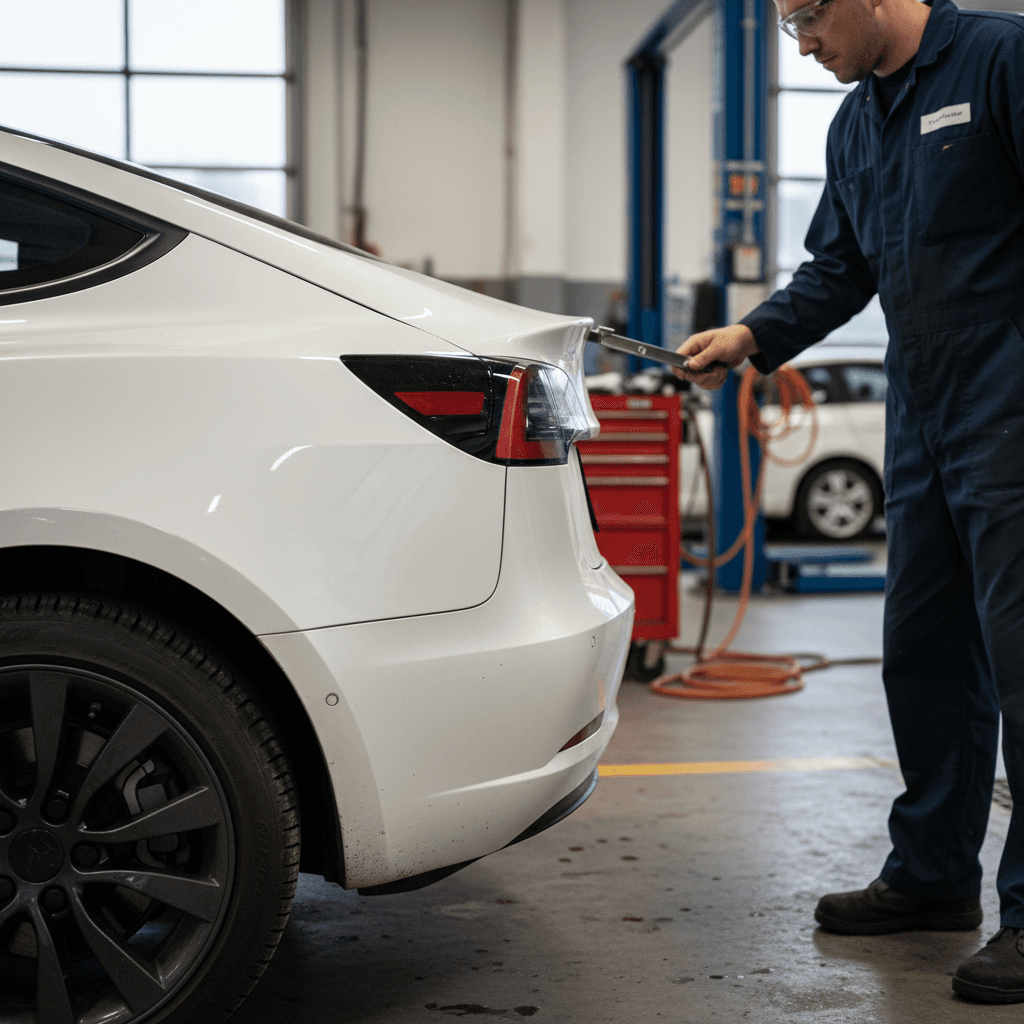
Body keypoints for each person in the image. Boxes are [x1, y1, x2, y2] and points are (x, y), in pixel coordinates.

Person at [673, 0, 1024, 1005]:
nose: (802, 43)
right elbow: (841, 267)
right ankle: (931, 874)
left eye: (808, 17)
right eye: (786, 25)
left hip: (1010, 407)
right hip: (921, 415)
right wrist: (751, 336)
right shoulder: (856, 121)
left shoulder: (998, 61)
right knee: (923, 651)